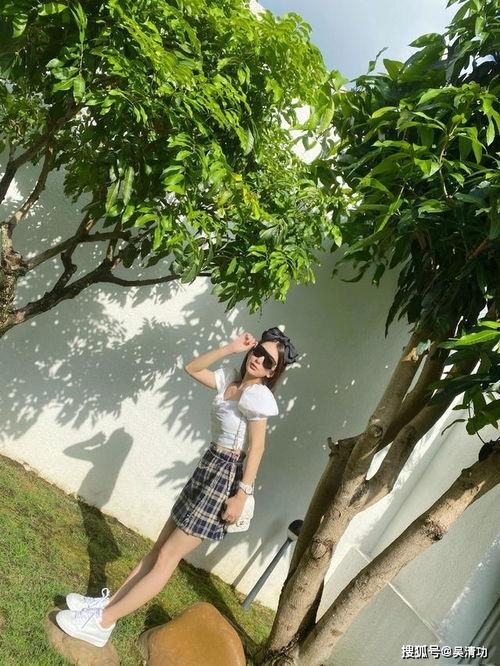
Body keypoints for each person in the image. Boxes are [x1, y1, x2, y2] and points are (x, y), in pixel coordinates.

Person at [55, 326, 298, 647]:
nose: (259, 359)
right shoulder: (231, 380)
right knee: (159, 548)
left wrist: (242, 493)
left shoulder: (258, 396)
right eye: (258, 351)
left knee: (168, 557)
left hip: (225, 477)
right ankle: (107, 606)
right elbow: (192, 368)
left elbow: (257, 448)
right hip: (208, 466)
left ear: (272, 373)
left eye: (268, 361)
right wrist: (230, 348)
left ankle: (102, 623)